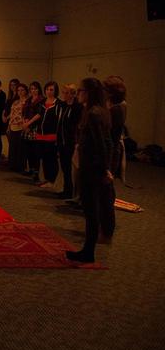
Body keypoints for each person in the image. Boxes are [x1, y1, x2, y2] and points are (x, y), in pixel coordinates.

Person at [66, 78, 115, 264]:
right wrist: (107, 167)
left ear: (89, 92)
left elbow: (102, 144)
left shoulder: (94, 113)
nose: (78, 93)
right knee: (92, 210)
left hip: (91, 169)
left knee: (91, 211)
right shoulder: (100, 112)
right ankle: (88, 250)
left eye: (80, 91)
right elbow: (107, 142)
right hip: (94, 167)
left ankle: (88, 252)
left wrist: (104, 169)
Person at [24, 81, 63, 188]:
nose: (49, 92)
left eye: (51, 90)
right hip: (40, 135)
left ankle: (52, 180)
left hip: (51, 136)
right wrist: (28, 123)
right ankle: (46, 179)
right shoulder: (42, 102)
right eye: (47, 89)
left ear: (55, 91)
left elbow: (59, 120)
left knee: (51, 159)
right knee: (43, 159)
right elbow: (39, 114)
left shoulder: (59, 104)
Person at [57, 84, 82, 199]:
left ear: (73, 94)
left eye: (67, 93)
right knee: (65, 167)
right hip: (62, 140)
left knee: (71, 168)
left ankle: (72, 192)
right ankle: (66, 189)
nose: (64, 95)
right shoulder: (63, 106)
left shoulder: (77, 107)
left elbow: (77, 126)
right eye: (64, 93)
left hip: (71, 141)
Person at [104, 76, 128, 183]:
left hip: (111, 149)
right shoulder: (115, 106)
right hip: (111, 148)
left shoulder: (117, 109)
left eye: (105, 89)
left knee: (106, 182)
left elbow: (111, 134)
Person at [4, 83, 28, 172]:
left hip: (21, 126)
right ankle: (12, 165)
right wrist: (9, 125)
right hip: (13, 126)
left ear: (26, 91)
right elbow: (12, 113)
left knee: (20, 148)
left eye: (22, 90)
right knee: (12, 147)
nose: (20, 92)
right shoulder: (15, 101)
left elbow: (27, 115)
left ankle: (20, 167)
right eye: (18, 90)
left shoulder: (27, 102)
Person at [22, 81, 44, 181]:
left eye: (35, 88)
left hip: (35, 127)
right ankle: (31, 169)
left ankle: (36, 172)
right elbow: (24, 112)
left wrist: (29, 123)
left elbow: (39, 114)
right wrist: (24, 122)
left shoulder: (41, 100)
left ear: (39, 89)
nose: (33, 91)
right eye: (31, 89)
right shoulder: (29, 100)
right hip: (27, 127)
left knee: (36, 151)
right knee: (28, 149)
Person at [3, 78, 20, 160]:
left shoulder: (18, 96)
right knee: (10, 140)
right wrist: (3, 115)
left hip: (12, 120)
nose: (12, 86)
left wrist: (7, 117)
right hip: (6, 119)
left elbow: (15, 110)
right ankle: (11, 157)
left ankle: (13, 158)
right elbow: (5, 107)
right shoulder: (10, 95)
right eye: (11, 85)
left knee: (13, 141)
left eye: (14, 85)